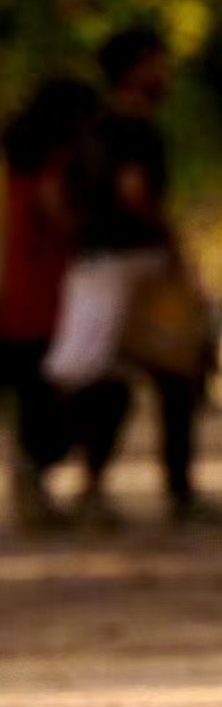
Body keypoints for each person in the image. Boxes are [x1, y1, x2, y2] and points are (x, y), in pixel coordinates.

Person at [44, 27, 218, 526]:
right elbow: (134, 192)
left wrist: (81, 236)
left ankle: (92, 487)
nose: (166, 74)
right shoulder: (132, 129)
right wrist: (174, 248)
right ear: (136, 68)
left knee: (109, 378)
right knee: (159, 376)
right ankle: (170, 494)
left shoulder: (92, 127)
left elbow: (57, 196)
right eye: (158, 62)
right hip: (132, 267)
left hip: (100, 264)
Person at [0, 78, 132, 529]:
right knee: (96, 394)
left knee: (42, 402)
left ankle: (38, 487)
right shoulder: (55, 162)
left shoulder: (17, 163)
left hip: (22, 300)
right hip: (54, 302)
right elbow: (58, 213)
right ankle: (76, 489)